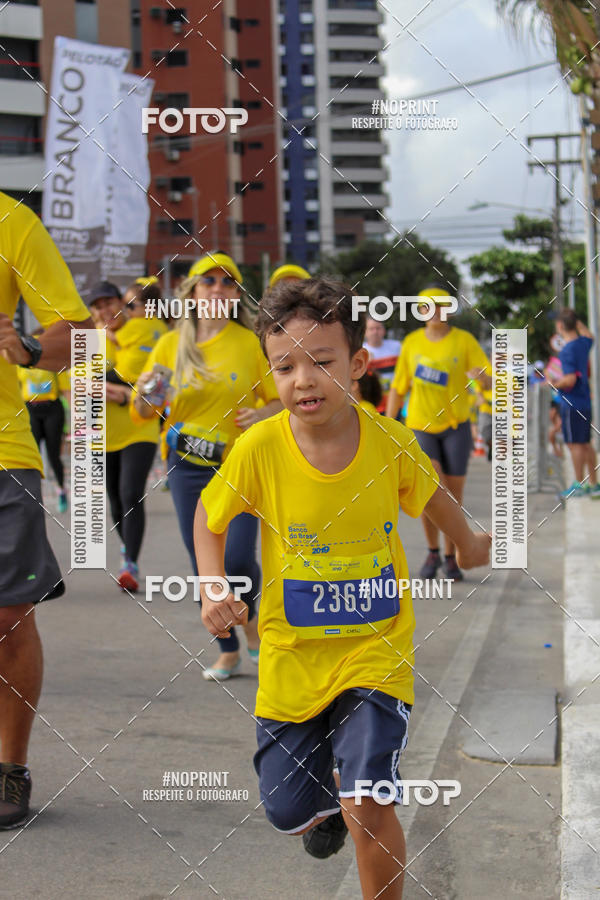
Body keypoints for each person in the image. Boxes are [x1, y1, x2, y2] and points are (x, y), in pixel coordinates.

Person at [194, 276, 490, 897]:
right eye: (285, 367)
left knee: (370, 804)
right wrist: (212, 587)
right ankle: (325, 800)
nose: (303, 380)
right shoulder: (259, 448)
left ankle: (353, 799)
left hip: (375, 653)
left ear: (357, 364)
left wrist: (468, 543)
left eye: (321, 362)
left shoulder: (390, 442)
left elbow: (435, 496)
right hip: (291, 658)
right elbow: (209, 517)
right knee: (285, 808)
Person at [133, 251, 282, 680]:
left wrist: (262, 412)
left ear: (236, 294)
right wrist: (145, 392)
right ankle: (228, 650)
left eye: (227, 282)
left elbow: (279, 399)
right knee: (205, 565)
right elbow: (145, 410)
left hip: (239, 465)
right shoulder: (170, 345)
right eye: (209, 281)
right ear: (193, 292)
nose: (218, 288)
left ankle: (250, 623)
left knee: (237, 560)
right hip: (186, 467)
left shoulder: (250, 343)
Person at [0, 190, 93, 828]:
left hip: (3, 453)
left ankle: (10, 767)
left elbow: (80, 337)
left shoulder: (11, 221)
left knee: (8, 617)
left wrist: (29, 348)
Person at [386, 286, 491, 582]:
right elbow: (398, 387)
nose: (434, 312)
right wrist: (387, 424)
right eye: (427, 307)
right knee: (430, 490)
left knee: (453, 496)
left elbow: (488, 381)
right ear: (420, 311)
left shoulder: (464, 340)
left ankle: (450, 555)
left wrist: (482, 378)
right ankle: (432, 551)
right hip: (420, 426)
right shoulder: (411, 343)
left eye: (441, 306)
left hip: (456, 427)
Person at [87, 280, 167, 592]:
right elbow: (82, 382)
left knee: (131, 492)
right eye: (97, 307)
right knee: (115, 499)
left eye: (109, 303)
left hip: (140, 428)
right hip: (103, 432)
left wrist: (122, 394)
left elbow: (155, 380)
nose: (105, 311)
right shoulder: (92, 339)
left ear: (122, 303)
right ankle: (127, 549)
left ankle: (130, 563)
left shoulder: (147, 331)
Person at [549, 309, 600, 498]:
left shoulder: (567, 350)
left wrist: (554, 383)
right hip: (584, 401)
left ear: (561, 326)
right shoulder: (582, 344)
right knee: (585, 443)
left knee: (575, 444)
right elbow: (590, 336)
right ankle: (594, 484)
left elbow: (570, 379)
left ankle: (579, 484)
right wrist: (576, 321)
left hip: (572, 403)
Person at [17, 345, 71, 513]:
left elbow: (66, 391)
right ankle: (33, 496)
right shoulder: (19, 362)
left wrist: (76, 419)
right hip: (31, 409)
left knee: (53, 455)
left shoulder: (53, 362)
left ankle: (61, 490)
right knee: (32, 455)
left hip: (52, 409)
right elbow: (16, 389)